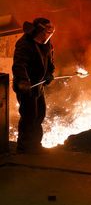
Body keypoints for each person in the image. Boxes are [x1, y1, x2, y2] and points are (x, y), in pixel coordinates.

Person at [12, 17, 55, 154]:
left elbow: (50, 60)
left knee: (39, 115)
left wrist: (49, 73)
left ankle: (36, 145)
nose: (49, 36)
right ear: (39, 31)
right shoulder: (24, 44)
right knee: (29, 116)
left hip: (39, 86)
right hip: (26, 87)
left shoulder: (46, 43)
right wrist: (23, 81)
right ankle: (24, 148)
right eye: (47, 32)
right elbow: (19, 64)